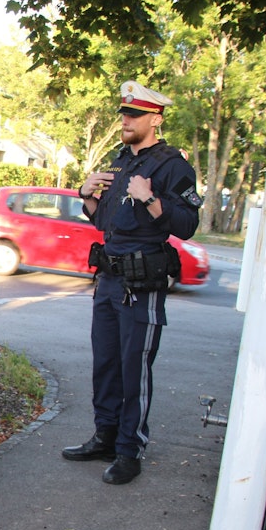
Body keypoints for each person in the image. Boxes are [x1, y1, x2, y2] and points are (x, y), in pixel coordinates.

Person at [61, 80, 202, 484]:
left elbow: (188, 225)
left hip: (141, 285)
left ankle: (129, 449)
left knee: (133, 368)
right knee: (105, 363)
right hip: (108, 279)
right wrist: (85, 195)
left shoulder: (173, 166)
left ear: (154, 119)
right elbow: (107, 222)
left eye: (134, 115)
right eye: (124, 113)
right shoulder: (120, 161)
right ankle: (104, 436)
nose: (126, 120)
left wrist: (150, 199)